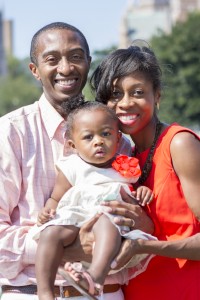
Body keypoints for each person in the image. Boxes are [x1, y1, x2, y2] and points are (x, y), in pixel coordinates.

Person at [0, 23, 154, 300]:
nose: (66, 68)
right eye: (52, 59)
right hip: (31, 293)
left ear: (87, 62)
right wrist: (71, 248)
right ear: (34, 70)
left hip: (106, 292)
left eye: (75, 56)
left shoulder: (117, 136)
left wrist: (140, 222)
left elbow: (144, 223)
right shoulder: (10, 133)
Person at [89, 43, 200, 299]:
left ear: (157, 95)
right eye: (115, 94)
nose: (125, 103)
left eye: (137, 92)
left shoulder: (179, 143)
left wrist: (144, 246)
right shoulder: (121, 155)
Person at [35, 99, 155, 300]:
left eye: (105, 134)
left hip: (108, 217)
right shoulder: (72, 166)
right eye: (88, 137)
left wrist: (143, 191)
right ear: (73, 144)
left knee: (107, 223)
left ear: (118, 138)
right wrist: (47, 211)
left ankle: (95, 278)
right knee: (49, 234)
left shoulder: (124, 166)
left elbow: (135, 191)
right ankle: (45, 291)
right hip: (76, 216)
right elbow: (56, 196)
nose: (98, 141)